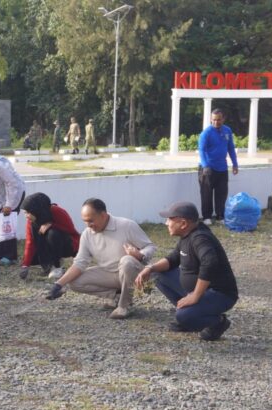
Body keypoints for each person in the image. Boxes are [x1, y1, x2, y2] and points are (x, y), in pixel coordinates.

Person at [135, 201, 238, 341]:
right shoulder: (187, 236)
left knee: (184, 316)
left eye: (170, 219)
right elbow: (172, 259)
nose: (166, 223)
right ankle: (190, 311)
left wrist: (195, 295)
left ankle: (218, 322)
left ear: (183, 224)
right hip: (198, 290)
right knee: (156, 274)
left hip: (220, 294)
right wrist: (149, 268)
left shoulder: (199, 238)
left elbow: (210, 262)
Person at [46, 198, 156, 320]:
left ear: (103, 215)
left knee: (127, 261)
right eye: (85, 221)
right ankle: (115, 296)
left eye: (91, 221)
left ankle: (124, 306)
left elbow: (150, 247)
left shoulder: (126, 225)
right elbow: (79, 263)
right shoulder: (87, 234)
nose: (88, 225)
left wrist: (139, 255)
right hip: (110, 274)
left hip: (136, 273)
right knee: (74, 282)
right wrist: (58, 284)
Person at [19, 193, 80, 280]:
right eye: (25, 213)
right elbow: (30, 242)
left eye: (28, 212)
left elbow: (70, 230)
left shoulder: (56, 211)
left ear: (36, 210)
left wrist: (51, 225)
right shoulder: (32, 220)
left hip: (67, 245)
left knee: (53, 234)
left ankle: (57, 267)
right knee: (33, 258)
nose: (26, 216)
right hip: (48, 246)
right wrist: (25, 265)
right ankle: (49, 265)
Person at [198, 109, 238, 225]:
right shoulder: (206, 133)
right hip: (207, 168)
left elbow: (230, 147)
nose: (216, 122)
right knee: (206, 194)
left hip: (222, 168)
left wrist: (235, 164)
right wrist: (205, 166)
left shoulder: (227, 130)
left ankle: (220, 216)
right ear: (211, 119)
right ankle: (207, 217)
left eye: (219, 120)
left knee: (222, 193)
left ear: (223, 119)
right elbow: (202, 150)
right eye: (214, 120)